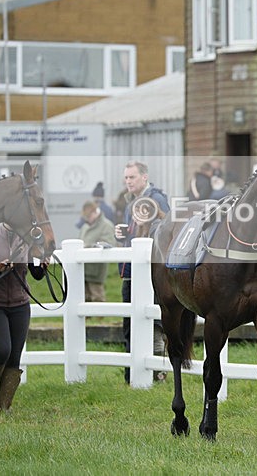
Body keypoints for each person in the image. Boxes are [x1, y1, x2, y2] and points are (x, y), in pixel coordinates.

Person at [0, 223, 47, 411]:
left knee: (15, 356)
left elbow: (36, 274)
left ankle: (4, 405)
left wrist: (43, 266)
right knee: (2, 350)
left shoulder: (28, 238)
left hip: (20, 304)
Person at [116, 161, 170, 384]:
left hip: (149, 272)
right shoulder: (132, 204)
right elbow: (137, 235)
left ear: (144, 177)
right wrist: (122, 235)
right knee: (132, 322)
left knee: (152, 323)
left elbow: (164, 229)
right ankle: (135, 375)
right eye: (126, 178)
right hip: (133, 270)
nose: (128, 181)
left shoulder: (156, 200)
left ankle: (157, 373)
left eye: (132, 177)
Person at [79, 200, 116, 302]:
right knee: (84, 296)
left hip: (96, 269)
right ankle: (88, 317)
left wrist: (89, 247)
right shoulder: (85, 227)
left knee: (97, 296)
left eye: (89, 216)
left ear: (95, 212)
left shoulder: (106, 225)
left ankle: (100, 317)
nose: (87, 219)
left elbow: (109, 243)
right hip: (83, 268)